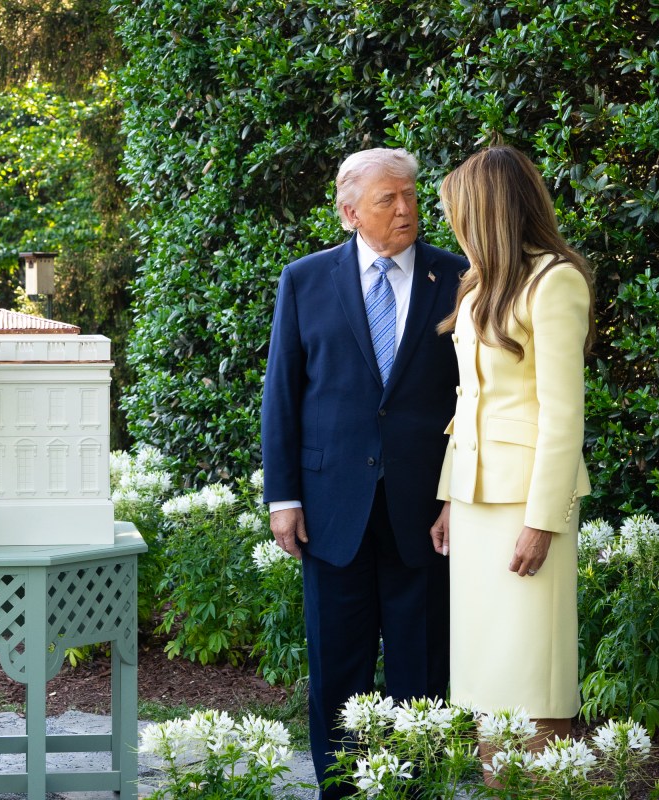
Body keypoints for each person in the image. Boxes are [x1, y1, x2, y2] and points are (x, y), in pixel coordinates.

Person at [261, 148, 466, 800]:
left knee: (422, 669)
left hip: (424, 510)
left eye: (409, 195)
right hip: (329, 508)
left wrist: (458, 495)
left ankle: (415, 791)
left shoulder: (458, 277)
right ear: (350, 213)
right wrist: (283, 496)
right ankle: (342, 792)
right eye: (387, 199)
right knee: (337, 669)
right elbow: (282, 395)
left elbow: (475, 398)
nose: (405, 209)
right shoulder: (305, 280)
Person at [429, 144, 595, 764]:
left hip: (526, 509)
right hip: (474, 505)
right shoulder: (477, 289)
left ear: (489, 211)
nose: (452, 225)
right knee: (484, 687)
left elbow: (563, 414)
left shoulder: (556, 282)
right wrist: (450, 496)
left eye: (459, 211)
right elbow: (466, 401)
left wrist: (542, 519)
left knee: (531, 685)